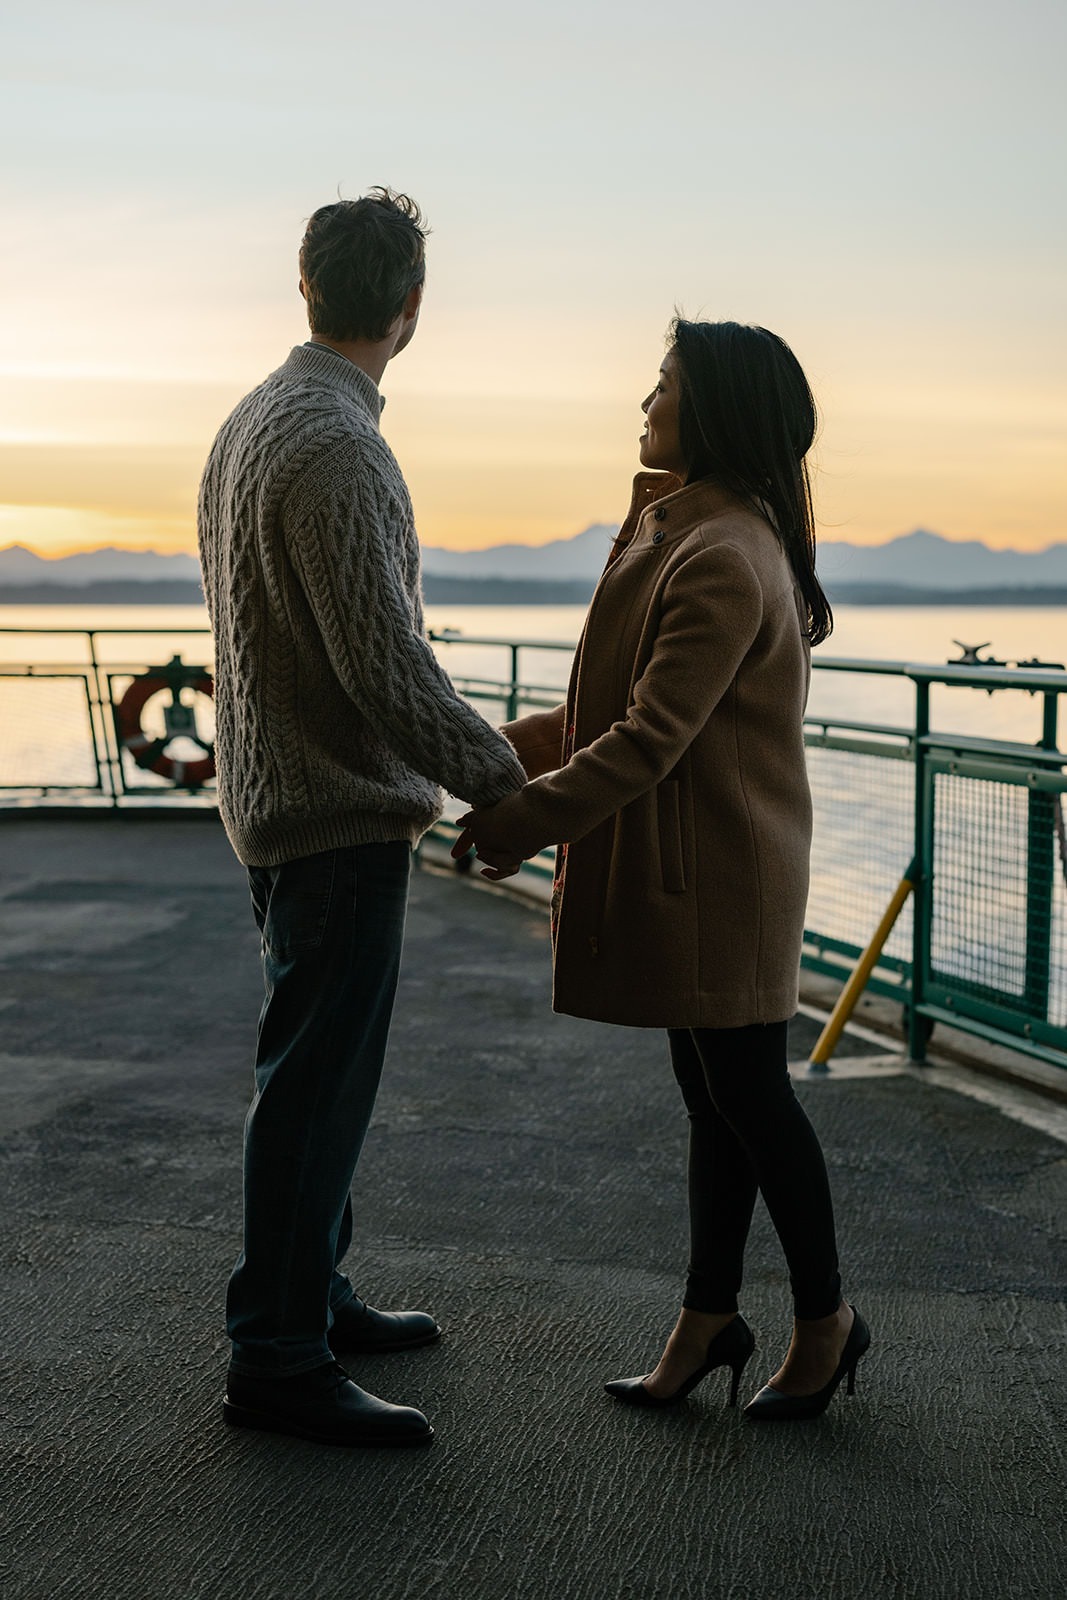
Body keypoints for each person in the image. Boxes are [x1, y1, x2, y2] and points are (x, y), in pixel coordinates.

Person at [453, 319, 870, 1421]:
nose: (643, 398)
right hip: (702, 869)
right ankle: (707, 1318)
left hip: (722, 876)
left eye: (665, 384)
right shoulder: (687, 532)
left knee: (749, 1097)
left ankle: (825, 1321)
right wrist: (494, 753)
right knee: (716, 1099)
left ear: (716, 411)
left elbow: (647, 738)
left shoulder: (721, 552)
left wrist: (517, 824)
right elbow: (602, 713)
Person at [197, 189, 526, 1448]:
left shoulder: (251, 420)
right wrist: (506, 780)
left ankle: (312, 1299)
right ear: (411, 307)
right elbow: (386, 667)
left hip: (274, 800)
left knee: (312, 1079)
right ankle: (275, 1355)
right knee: (315, 1090)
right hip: (332, 816)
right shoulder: (338, 443)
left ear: (303, 285)